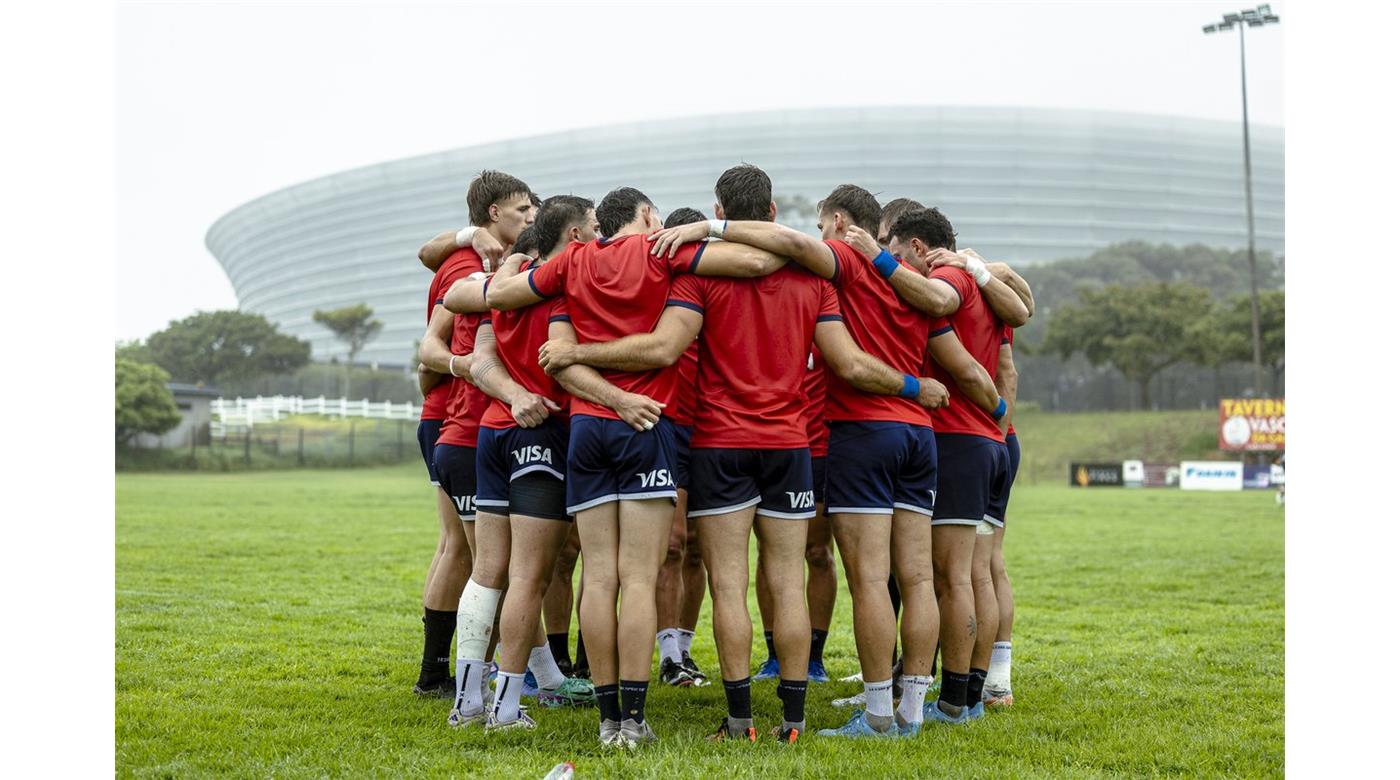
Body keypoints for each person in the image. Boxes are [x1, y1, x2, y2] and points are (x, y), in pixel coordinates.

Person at [544, 166, 950, 743]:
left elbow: (666, 349)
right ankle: (794, 720)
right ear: (773, 213)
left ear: (720, 208)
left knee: (729, 587)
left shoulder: (699, 280)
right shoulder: (815, 280)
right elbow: (844, 360)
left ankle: (740, 722)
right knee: (787, 581)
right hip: (790, 444)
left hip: (720, 443)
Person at [486, 186, 788, 748]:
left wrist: (506, 262)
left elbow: (506, 303)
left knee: (599, 577)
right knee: (639, 579)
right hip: (646, 426)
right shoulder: (661, 251)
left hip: (585, 431)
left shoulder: (572, 261)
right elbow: (759, 260)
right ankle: (633, 720)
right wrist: (706, 230)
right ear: (649, 216)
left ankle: (606, 723)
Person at [857, 205, 1028, 722]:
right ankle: (975, 689)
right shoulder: (979, 283)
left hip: (959, 438)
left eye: (890, 242)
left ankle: (954, 700)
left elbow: (975, 370)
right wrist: (1000, 430)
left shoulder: (948, 283)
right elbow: (1010, 353)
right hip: (987, 442)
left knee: (952, 577)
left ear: (915, 245)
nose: (885, 252)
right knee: (976, 570)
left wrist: (992, 419)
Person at [453, 196, 604, 731]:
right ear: (573, 232)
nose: (597, 235)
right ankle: (506, 707)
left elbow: (482, 355)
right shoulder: (567, 284)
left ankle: (466, 703)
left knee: (487, 571)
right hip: (542, 433)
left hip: (493, 432)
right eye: (591, 227)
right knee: (527, 578)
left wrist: (510, 395)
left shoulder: (507, 285)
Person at [406, 174, 525, 698]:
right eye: (521, 209)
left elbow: (424, 251)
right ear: (494, 213)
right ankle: (460, 674)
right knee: (475, 553)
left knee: (455, 545)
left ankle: (437, 670)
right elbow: (429, 351)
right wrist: (467, 368)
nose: (528, 217)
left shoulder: (472, 253)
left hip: (448, 415)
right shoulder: (468, 266)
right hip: (455, 417)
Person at [654, 206, 711, 689]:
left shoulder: (717, 276)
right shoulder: (662, 279)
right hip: (668, 426)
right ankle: (668, 653)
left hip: (714, 430)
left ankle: (686, 652)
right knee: (670, 545)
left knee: (698, 552)